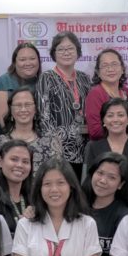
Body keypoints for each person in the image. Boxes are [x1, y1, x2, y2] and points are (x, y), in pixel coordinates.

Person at [37, 32, 93, 176]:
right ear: (54, 54)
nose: (66, 53)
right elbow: (44, 117)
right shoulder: (46, 78)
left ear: (78, 52)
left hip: (85, 149)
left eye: (70, 49)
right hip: (58, 150)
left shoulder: (85, 79)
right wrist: (54, 147)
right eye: (61, 49)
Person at [0, 86, 62, 178]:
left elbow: (58, 175)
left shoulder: (50, 141)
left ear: (35, 109)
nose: (23, 109)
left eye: (28, 105)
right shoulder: (1, 142)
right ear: (11, 110)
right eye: (18, 105)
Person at [83, 98, 128, 174]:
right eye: (110, 116)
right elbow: (88, 180)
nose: (115, 119)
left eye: (120, 115)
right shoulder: (93, 147)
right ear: (103, 120)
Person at [85, 48, 128, 140]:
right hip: (108, 151)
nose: (110, 69)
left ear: (122, 69)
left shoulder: (126, 91)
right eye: (105, 65)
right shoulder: (95, 94)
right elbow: (95, 131)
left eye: (114, 64)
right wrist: (124, 136)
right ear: (98, 72)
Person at [0, 42, 41, 132]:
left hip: (39, 136)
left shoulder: (43, 82)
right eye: (22, 60)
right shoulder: (3, 82)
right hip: (12, 138)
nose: (28, 63)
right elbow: (1, 118)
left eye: (32, 59)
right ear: (14, 62)